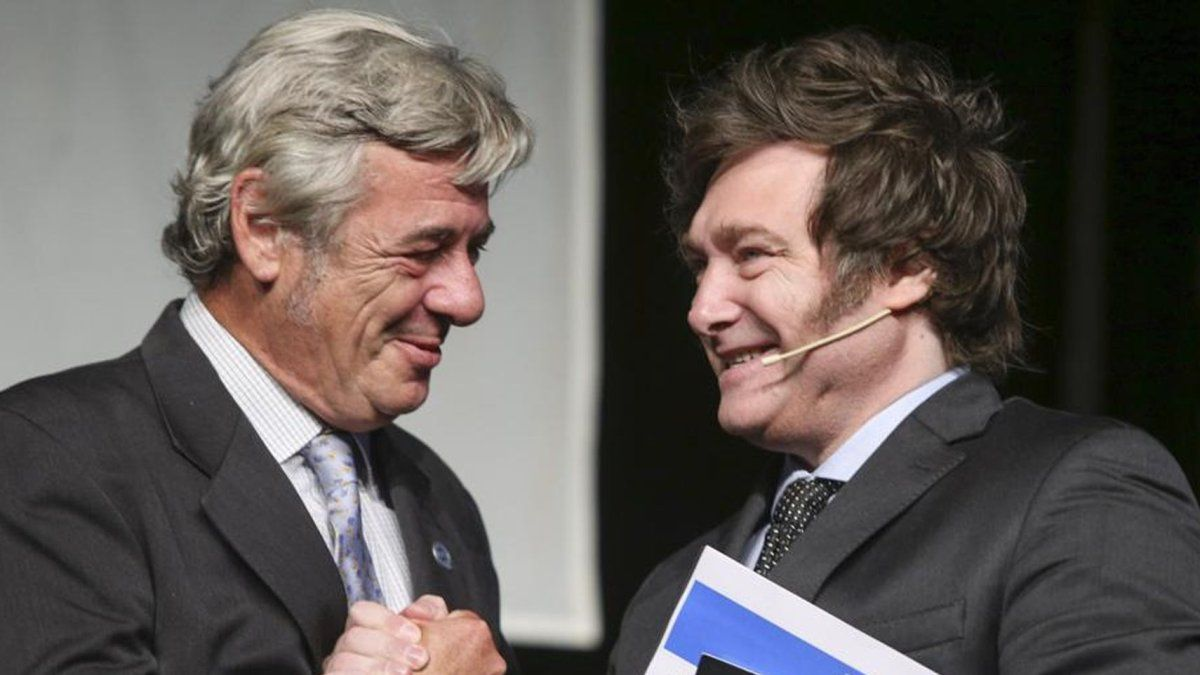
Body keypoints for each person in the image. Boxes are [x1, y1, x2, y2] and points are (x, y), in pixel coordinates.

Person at [610, 29, 1200, 673]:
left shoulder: (1073, 490)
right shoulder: (666, 598)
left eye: (752, 255)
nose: (703, 310)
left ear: (907, 266)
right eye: (701, 265)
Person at [0, 9, 531, 674]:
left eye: (472, 251)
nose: (467, 299)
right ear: (263, 226)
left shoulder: (437, 499)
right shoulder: (51, 458)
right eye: (423, 250)